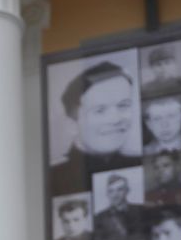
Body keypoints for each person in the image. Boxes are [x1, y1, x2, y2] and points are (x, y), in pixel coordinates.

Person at [50, 60, 139, 191]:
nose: (116, 119)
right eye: (100, 110)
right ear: (72, 125)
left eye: (123, 105)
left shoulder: (138, 163)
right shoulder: (53, 177)